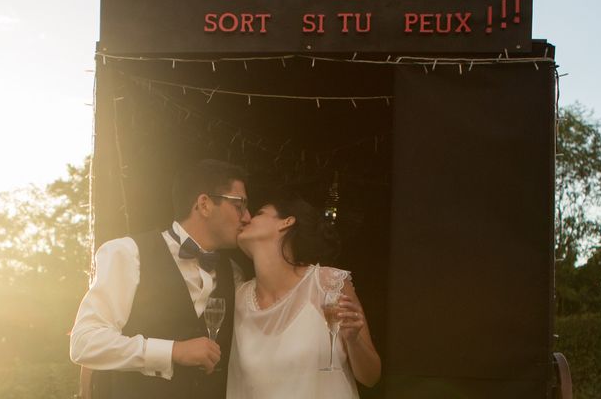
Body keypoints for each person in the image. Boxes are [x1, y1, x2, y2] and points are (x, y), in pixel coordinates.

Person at [70, 159, 251, 399]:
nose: (247, 217)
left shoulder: (233, 273)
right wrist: (172, 351)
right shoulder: (126, 253)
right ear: (204, 204)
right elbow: (85, 342)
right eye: (240, 205)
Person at [227, 191, 381, 398]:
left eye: (259, 213)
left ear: (286, 222)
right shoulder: (238, 298)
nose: (246, 219)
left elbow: (370, 377)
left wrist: (354, 341)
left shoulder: (327, 283)